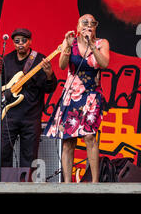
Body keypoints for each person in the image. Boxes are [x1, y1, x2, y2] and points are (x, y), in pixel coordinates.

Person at [44, 14, 110, 183]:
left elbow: (104, 64)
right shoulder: (70, 42)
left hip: (92, 94)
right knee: (68, 140)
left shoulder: (101, 43)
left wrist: (91, 45)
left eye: (92, 23)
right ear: (78, 26)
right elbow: (62, 65)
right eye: (85, 22)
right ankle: (67, 184)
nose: (89, 25)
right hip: (71, 94)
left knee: (89, 136)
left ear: (96, 27)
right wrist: (66, 45)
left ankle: (95, 183)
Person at [0, 28, 57, 168]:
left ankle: (26, 188)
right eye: (17, 41)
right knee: (3, 155)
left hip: (31, 116)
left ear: (30, 41)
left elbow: (49, 88)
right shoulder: (6, 60)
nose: (20, 44)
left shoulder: (39, 60)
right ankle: (4, 187)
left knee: (29, 157)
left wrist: (49, 75)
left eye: (24, 41)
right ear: (13, 43)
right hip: (9, 115)